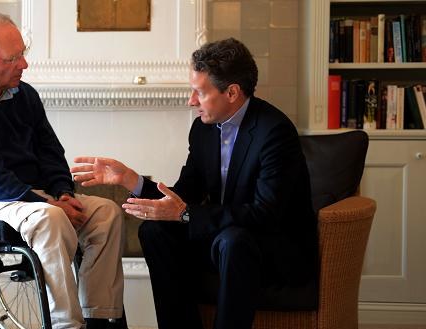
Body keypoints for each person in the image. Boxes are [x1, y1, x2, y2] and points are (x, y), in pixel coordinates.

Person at [71, 38, 318, 329]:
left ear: (232, 92)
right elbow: (182, 197)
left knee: (233, 240)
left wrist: (186, 214)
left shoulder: (274, 132)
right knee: (154, 232)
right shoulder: (203, 129)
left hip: (272, 248)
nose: (190, 101)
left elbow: (265, 215)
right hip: (224, 239)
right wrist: (131, 179)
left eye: (199, 92)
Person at [0, 11, 126, 329]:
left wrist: (63, 192)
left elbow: (50, 152)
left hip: (27, 195)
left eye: (23, 54)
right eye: (13, 58)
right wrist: (46, 203)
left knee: (106, 214)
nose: (24, 65)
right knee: (52, 218)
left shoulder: (25, 95)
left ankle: (100, 317)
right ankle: (66, 324)